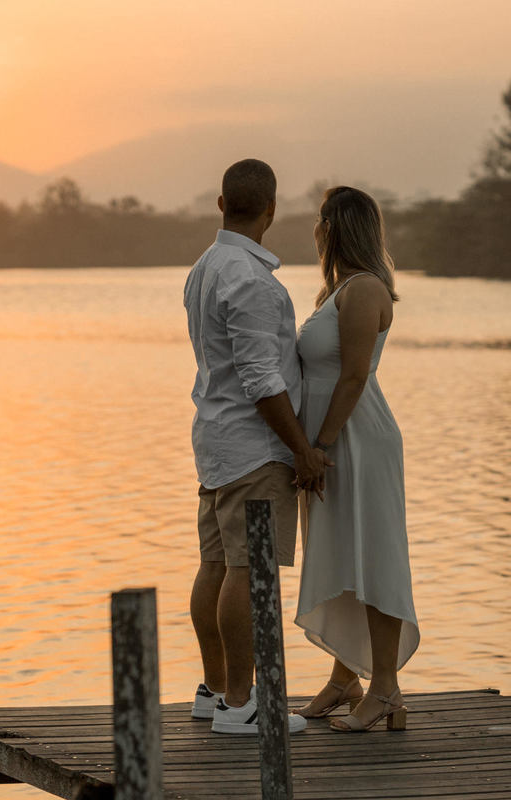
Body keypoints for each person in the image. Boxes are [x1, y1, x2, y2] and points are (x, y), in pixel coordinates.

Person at [183, 158, 332, 735]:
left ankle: (214, 690)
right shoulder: (250, 280)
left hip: (216, 438)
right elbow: (261, 378)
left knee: (217, 564)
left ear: (222, 204)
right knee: (249, 569)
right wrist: (301, 449)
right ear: (271, 209)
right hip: (254, 445)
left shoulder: (205, 268)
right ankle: (241, 705)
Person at [292, 186, 421, 732]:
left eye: (320, 220)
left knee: (374, 555)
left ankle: (387, 688)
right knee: (344, 555)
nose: (314, 229)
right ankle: (346, 677)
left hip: (356, 441)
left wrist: (317, 446)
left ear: (335, 226)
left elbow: (353, 376)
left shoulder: (366, 289)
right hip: (331, 438)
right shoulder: (336, 289)